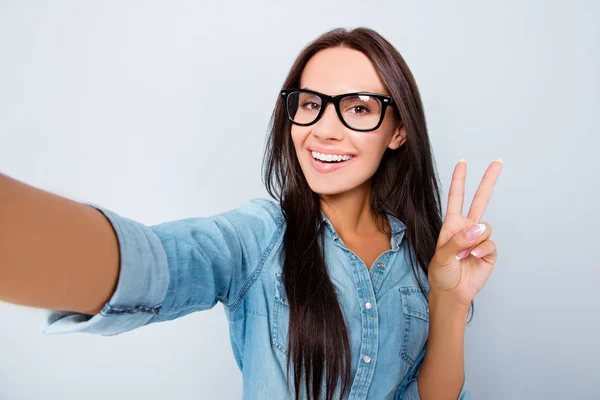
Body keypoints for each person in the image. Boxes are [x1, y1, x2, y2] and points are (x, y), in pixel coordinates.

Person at [0, 27, 503, 400]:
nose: (324, 130)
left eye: (358, 108)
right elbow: (159, 262)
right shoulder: (262, 236)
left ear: (398, 131)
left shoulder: (422, 258)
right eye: (310, 104)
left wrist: (448, 301)